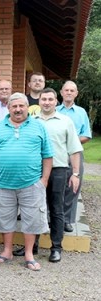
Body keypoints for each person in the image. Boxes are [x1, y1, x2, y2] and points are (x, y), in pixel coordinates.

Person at [0, 92, 53, 271]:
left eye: (21, 106)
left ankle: (29, 254)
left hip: (32, 182)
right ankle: (7, 251)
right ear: (8, 108)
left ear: (27, 107)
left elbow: (48, 155)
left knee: (32, 218)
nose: (18, 109)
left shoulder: (39, 126)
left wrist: (44, 179)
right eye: (14, 106)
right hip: (4, 183)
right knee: (5, 218)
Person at [29, 88, 82, 263]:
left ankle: (56, 247)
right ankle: (32, 246)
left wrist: (75, 173)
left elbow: (74, 149)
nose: (46, 102)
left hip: (59, 170)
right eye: (43, 99)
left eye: (50, 99)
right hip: (35, 171)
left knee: (56, 209)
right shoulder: (31, 121)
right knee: (35, 209)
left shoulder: (65, 121)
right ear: (39, 101)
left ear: (55, 101)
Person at [57, 80, 92, 233]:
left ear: (76, 93)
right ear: (61, 92)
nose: (69, 93)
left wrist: (70, 140)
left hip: (74, 154)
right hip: (57, 154)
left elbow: (87, 135)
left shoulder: (81, 112)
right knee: (56, 187)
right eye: (66, 90)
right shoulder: (55, 110)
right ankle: (55, 218)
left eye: (72, 90)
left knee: (72, 187)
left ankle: (66, 220)